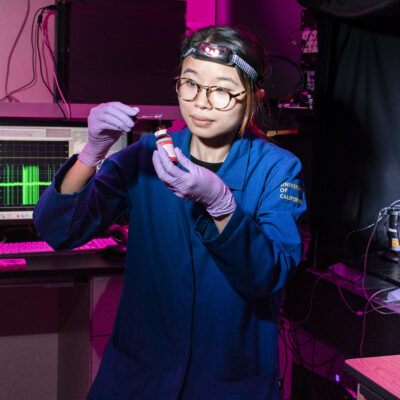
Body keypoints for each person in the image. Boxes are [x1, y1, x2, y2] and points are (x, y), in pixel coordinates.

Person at [34, 25, 306, 400]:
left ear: (253, 97)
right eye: (191, 84)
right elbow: (58, 230)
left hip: (225, 379)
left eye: (223, 90)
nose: (202, 102)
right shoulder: (145, 156)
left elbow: (270, 274)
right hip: (138, 375)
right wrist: (91, 153)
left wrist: (222, 207)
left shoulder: (277, 169)